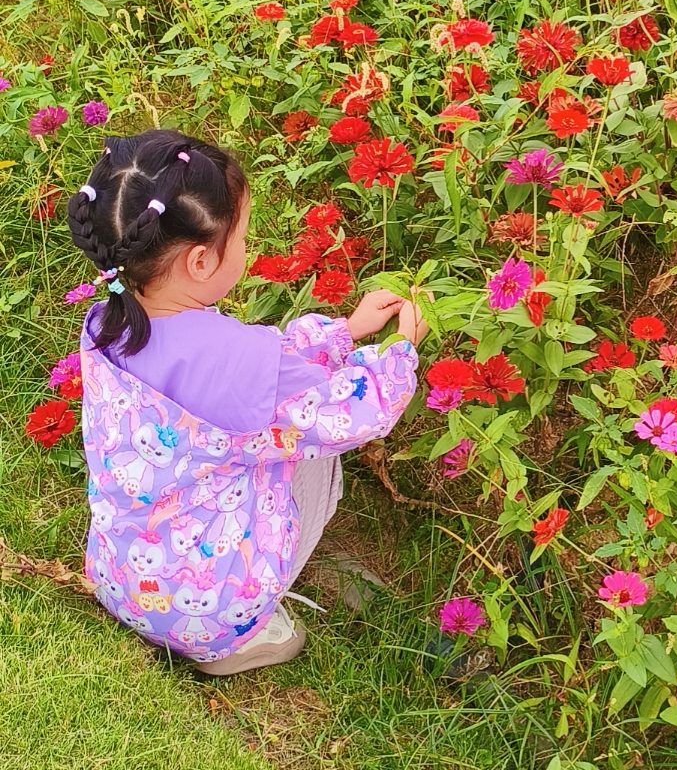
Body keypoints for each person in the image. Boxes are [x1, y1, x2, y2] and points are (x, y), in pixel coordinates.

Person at [67, 127, 427, 674]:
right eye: (240, 237)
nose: (245, 247)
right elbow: (357, 410)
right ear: (200, 262)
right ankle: (240, 639)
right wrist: (401, 349)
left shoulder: (107, 324)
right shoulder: (240, 364)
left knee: (270, 430)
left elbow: (259, 369)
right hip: (207, 611)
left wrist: (345, 331)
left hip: (119, 576)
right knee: (318, 452)